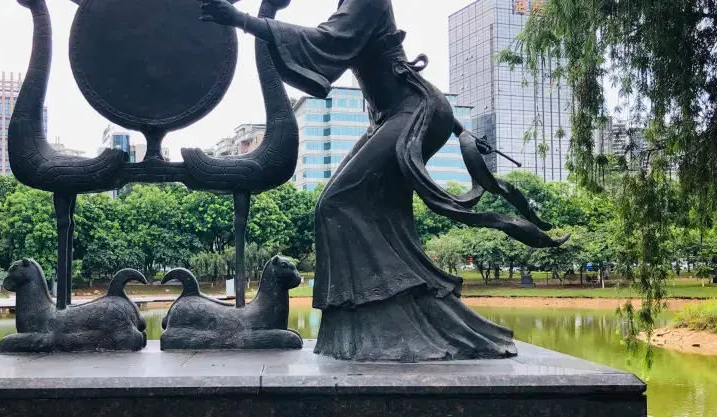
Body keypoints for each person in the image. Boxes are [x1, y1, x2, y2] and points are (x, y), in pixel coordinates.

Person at [198, 0, 568, 361]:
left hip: (414, 111)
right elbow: (367, 60)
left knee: (337, 203)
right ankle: (371, 323)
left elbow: (326, 41)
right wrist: (457, 127)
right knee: (349, 206)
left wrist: (243, 19)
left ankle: (387, 319)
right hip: (397, 113)